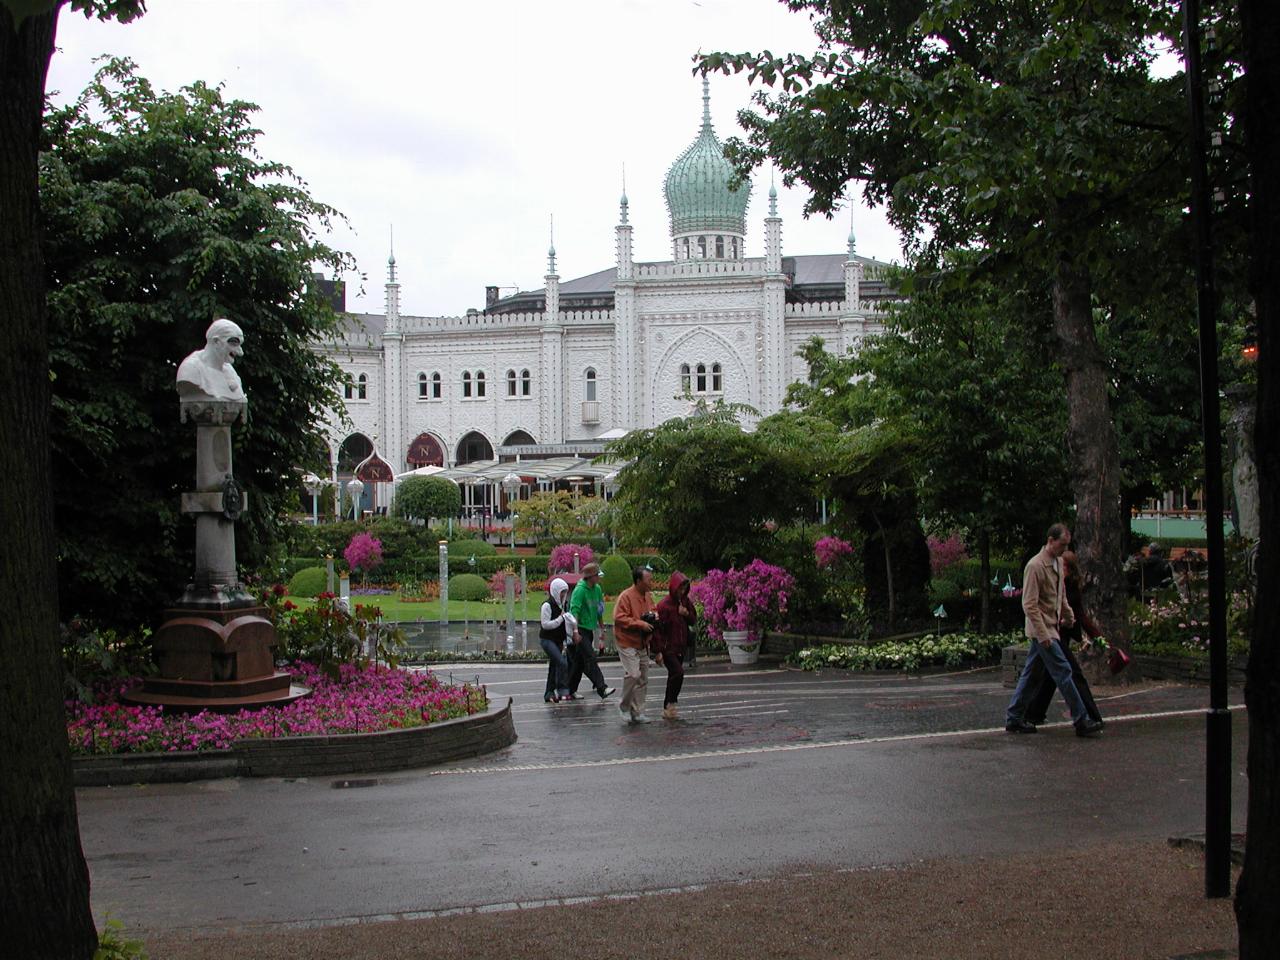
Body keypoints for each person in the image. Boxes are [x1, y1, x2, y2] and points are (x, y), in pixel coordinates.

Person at [1005, 523, 1104, 738]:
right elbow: (1029, 604)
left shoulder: (1058, 563)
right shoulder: (1035, 566)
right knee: (1064, 671)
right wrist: (1043, 634)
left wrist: (1068, 617)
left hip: (1052, 627)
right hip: (1043, 630)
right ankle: (1081, 720)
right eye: (1062, 544)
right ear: (1051, 540)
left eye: (1067, 544)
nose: (1064, 549)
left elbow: (1060, 596)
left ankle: (1014, 718)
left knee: (1031, 675)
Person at [1023, 549, 1104, 727]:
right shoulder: (1054, 581)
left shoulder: (1067, 584)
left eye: (1064, 566)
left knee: (1044, 676)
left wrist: (1097, 637)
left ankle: (1031, 713)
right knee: (1069, 673)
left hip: (1058, 633)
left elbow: (1077, 612)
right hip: (1051, 633)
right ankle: (1087, 716)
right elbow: (1039, 604)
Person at [613, 566, 657, 723]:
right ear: (638, 581)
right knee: (634, 674)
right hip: (627, 641)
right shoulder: (626, 596)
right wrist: (640, 624)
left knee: (643, 678)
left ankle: (637, 712)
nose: (651, 583)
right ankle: (623, 706)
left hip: (643, 642)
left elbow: (653, 609)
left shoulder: (647, 596)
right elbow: (618, 617)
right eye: (648, 580)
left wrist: (654, 617)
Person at [567, 563, 615, 700]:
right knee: (590, 657)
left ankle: (570, 689)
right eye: (597, 576)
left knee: (579, 663)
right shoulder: (580, 590)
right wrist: (575, 631)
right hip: (580, 629)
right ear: (590, 577)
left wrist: (602, 629)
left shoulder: (597, 589)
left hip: (590, 629)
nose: (599, 578)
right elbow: (574, 611)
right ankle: (602, 688)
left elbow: (599, 610)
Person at [653, 571, 696, 720]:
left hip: (680, 645)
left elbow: (693, 619)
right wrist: (658, 651)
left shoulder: (685, 602)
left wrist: (685, 613)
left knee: (674, 675)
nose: (682, 592)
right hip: (668, 647)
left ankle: (668, 706)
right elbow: (658, 630)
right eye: (680, 588)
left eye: (684, 589)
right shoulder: (664, 606)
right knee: (678, 672)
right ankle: (671, 703)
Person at [539, 577, 575, 704]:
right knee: (561, 662)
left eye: (565, 592)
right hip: (547, 639)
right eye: (562, 592)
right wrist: (560, 619)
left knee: (554, 666)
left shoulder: (563, 606)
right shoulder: (547, 606)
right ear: (555, 591)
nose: (564, 595)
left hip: (559, 640)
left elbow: (567, 622)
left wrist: (571, 633)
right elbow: (545, 624)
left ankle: (549, 693)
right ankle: (563, 689)